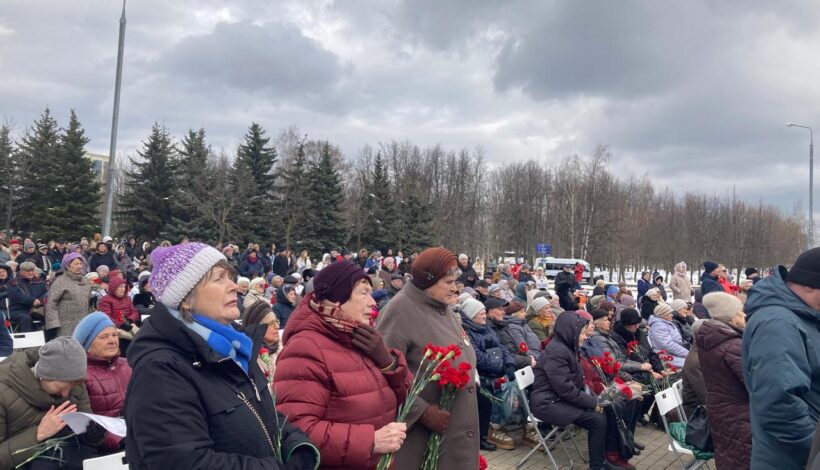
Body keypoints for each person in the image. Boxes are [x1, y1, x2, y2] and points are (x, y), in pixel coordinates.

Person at [124, 242, 319, 469]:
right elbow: (185, 462)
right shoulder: (160, 370)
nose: (233, 286)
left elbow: (260, 413)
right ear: (185, 298)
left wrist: (297, 445)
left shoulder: (236, 347)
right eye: (219, 279)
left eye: (230, 277)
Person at [275, 260, 410, 469]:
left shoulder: (358, 338)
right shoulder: (305, 348)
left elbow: (404, 399)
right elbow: (297, 430)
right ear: (336, 300)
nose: (373, 303)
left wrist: (388, 363)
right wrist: (370, 441)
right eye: (363, 293)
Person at [377, 247, 479, 470]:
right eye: (448, 282)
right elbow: (381, 376)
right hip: (422, 441)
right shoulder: (400, 311)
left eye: (456, 281)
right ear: (427, 281)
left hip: (452, 438)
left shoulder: (443, 306)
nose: (455, 288)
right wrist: (422, 411)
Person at [743, 247, 820, 470]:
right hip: (792, 460)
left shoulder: (801, 316)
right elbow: (778, 405)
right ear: (809, 283)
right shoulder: (778, 323)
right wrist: (814, 450)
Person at [530, 311, 617, 470]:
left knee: (606, 411)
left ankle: (604, 460)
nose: (585, 337)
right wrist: (593, 403)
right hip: (548, 403)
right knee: (597, 420)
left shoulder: (567, 347)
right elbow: (565, 388)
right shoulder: (558, 351)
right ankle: (597, 466)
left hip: (558, 398)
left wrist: (595, 398)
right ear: (570, 331)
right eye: (582, 333)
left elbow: (572, 384)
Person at [0, 337, 105, 468]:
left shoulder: (75, 383)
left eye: (72, 385)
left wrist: (91, 436)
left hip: (70, 457)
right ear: (43, 376)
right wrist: (38, 433)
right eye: (61, 387)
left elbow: (84, 436)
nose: (66, 394)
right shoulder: (3, 391)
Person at [697, 293, 751, 469]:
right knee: (740, 458)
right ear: (729, 316)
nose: (744, 315)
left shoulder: (713, 338)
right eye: (739, 312)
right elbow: (753, 383)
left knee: (729, 456)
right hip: (739, 413)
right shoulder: (732, 345)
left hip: (722, 409)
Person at [458, 297, 515, 451]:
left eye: (484, 312)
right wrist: (500, 367)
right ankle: (482, 437)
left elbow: (502, 347)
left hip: (495, 373)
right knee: (485, 402)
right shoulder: (467, 332)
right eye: (481, 313)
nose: (484, 316)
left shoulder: (487, 328)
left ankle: (493, 429)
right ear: (471, 315)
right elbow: (477, 357)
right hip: (480, 376)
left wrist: (509, 364)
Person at [73, 312, 132, 454]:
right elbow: (84, 425)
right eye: (104, 337)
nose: (112, 341)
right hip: (107, 448)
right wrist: (120, 440)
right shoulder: (80, 375)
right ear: (87, 344)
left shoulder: (128, 365)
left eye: (114, 335)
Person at [45, 252, 93, 338]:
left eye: (80, 263)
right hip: (65, 325)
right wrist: (53, 324)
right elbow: (51, 304)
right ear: (68, 266)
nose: (79, 266)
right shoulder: (60, 282)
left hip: (83, 322)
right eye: (76, 264)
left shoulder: (85, 280)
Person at [242, 301, 281, 390]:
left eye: (277, 321)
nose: (277, 326)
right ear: (257, 328)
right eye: (271, 323)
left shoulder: (284, 350)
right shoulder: (251, 359)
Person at [8, 261, 47, 332]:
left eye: (32, 270)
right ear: (21, 272)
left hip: (38, 308)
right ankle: (27, 341)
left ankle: (48, 339)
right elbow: (17, 295)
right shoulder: (14, 282)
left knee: (50, 315)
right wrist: (32, 301)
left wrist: (39, 301)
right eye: (28, 271)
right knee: (26, 318)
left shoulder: (40, 282)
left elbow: (46, 293)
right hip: (18, 310)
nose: (30, 273)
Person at [648, 302, 689, 368]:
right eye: (669, 313)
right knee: (692, 364)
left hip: (675, 352)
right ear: (663, 314)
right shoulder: (658, 326)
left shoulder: (667, 322)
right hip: (666, 355)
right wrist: (687, 354)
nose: (672, 315)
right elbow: (668, 345)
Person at [680, 320, 706, 418]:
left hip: (705, 405)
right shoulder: (695, 360)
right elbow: (705, 394)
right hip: (698, 412)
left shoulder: (703, 353)